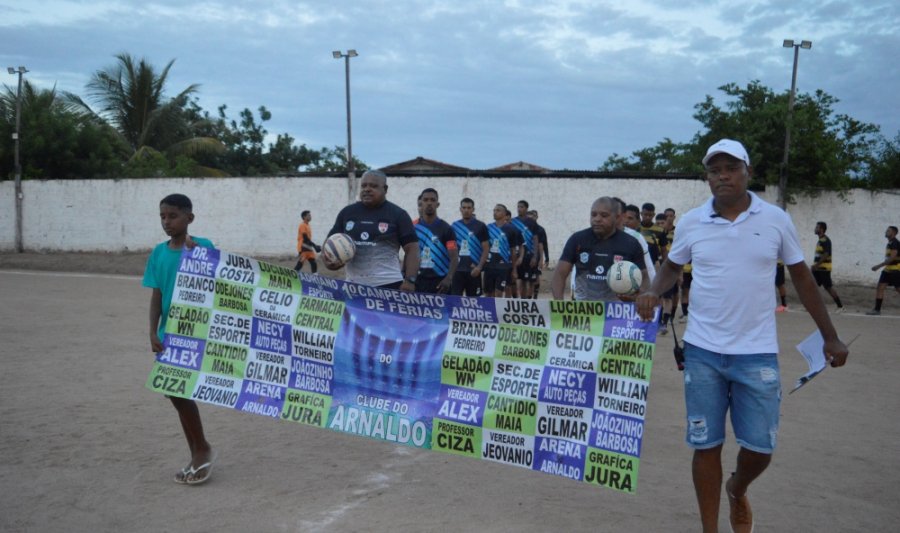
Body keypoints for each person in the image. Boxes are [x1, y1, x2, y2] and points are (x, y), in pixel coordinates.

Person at [635, 139, 849, 533]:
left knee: (760, 448)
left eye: (731, 168)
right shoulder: (692, 222)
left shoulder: (775, 219)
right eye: (715, 170)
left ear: (748, 172)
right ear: (708, 177)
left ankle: (738, 487)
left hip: (757, 353)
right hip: (702, 352)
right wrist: (652, 291)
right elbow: (671, 269)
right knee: (706, 445)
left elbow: (801, 277)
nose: (723, 176)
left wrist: (830, 337)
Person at [142, 193, 218, 485]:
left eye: (173, 216)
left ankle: (203, 450)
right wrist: (152, 330)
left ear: (189, 219)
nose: (167, 222)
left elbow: (219, 278)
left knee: (179, 391)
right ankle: (198, 451)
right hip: (168, 334)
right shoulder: (158, 253)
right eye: (162, 216)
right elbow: (156, 294)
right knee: (176, 394)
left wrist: (198, 252)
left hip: (195, 332)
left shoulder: (202, 246)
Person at [325, 170, 419, 291]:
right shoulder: (347, 213)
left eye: (373, 186)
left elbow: (412, 248)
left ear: (385, 189)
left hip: (389, 285)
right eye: (364, 186)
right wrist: (328, 261)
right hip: (353, 286)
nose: (367, 189)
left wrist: (410, 280)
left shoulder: (398, 214)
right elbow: (329, 242)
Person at [551, 197, 648, 301]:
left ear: (617, 217)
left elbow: (645, 278)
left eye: (604, 215)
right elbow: (560, 274)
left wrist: (639, 296)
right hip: (582, 310)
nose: (597, 219)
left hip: (616, 312)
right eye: (593, 215)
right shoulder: (577, 239)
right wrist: (558, 304)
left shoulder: (631, 243)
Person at [414, 188, 458, 293]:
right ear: (421, 203)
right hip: (418, 281)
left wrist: (448, 278)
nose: (429, 203)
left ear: (438, 204)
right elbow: (409, 254)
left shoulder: (447, 229)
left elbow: (454, 257)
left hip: (440, 282)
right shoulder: (414, 229)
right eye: (426, 200)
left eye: (433, 200)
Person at [451, 198, 489, 296]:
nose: (466, 210)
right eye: (464, 207)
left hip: (473, 271)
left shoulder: (480, 226)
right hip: (457, 271)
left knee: (474, 302)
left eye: (469, 208)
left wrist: (479, 267)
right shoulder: (454, 226)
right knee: (455, 301)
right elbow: (450, 249)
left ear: (473, 209)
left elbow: (486, 249)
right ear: (460, 209)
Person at [483, 204, 521, 298]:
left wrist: (514, 270)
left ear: (504, 214)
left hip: (503, 266)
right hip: (489, 266)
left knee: (499, 292)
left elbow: (513, 251)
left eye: (498, 210)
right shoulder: (488, 228)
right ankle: (490, 312)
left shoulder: (510, 230)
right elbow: (483, 246)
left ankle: (498, 312)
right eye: (494, 210)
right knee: (488, 294)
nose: (495, 212)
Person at [811, 222, 845, 313]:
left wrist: (817, 265)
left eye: (817, 227)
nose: (815, 229)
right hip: (817, 269)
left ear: (821, 229)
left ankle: (840, 306)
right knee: (812, 287)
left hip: (823, 269)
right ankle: (810, 306)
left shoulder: (826, 240)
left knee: (828, 288)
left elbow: (826, 254)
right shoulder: (820, 240)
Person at [866, 225, 900, 315]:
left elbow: (892, 258)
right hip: (887, 270)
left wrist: (878, 266)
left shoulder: (895, 243)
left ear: (893, 233)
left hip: (895, 271)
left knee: (898, 289)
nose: (886, 232)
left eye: (888, 231)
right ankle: (877, 309)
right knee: (880, 287)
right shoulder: (890, 243)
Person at [512, 200, 542, 299]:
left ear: (526, 209)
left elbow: (535, 239)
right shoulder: (513, 222)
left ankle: (524, 301)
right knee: (514, 279)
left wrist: (535, 256)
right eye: (518, 207)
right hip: (515, 255)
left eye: (522, 207)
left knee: (525, 280)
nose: (519, 209)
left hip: (528, 255)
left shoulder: (532, 223)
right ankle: (516, 299)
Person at [527, 210, 549, 299]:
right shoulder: (524, 229)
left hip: (536, 256)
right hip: (526, 256)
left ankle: (534, 296)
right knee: (525, 278)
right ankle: (526, 297)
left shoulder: (540, 229)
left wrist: (545, 258)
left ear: (537, 217)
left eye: (533, 217)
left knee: (535, 276)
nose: (532, 219)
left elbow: (543, 244)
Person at [503, 209, 524, 298]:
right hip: (500, 261)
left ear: (510, 219)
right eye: (504, 220)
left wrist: (521, 257)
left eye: (508, 220)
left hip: (512, 260)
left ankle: (514, 299)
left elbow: (521, 246)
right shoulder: (496, 230)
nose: (506, 222)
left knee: (510, 284)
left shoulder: (515, 231)